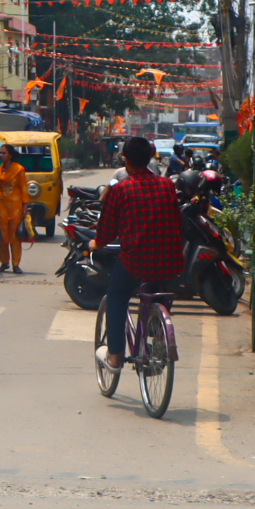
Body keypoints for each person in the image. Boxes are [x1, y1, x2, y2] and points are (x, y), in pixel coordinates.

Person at [91, 134, 185, 374]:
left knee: (116, 297)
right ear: (151, 157)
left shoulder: (121, 189)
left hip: (135, 262)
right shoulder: (167, 186)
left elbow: (106, 230)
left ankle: (114, 356)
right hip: (169, 261)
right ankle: (160, 338)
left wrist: (95, 243)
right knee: (161, 291)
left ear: (126, 160)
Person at [0, 150, 34, 274]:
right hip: (1, 206)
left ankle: (16, 264)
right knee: (3, 236)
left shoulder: (19, 170)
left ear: (10, 155)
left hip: (15, 206)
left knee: (14, 236)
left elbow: (24, 187)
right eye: (0, 153)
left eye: (4, 153)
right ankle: (4, 262)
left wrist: (25, 205)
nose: (1, 155)